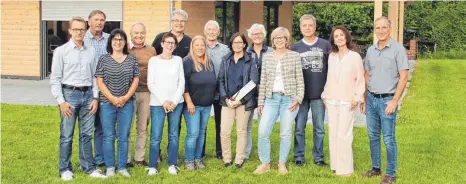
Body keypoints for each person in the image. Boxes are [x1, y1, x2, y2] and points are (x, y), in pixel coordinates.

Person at [50, 16, 107, 181]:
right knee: (67, 135)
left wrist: (95, 98)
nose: (79, 32)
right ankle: (65, 168)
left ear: (85, 30)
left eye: (82, 29)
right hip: (69, 96)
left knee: (87, 135)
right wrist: (61, 101)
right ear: (70, 31)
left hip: (88, 96)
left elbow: (96, 76)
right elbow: (55, 79)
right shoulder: (61, 51)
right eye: (75, 29)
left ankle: (89, 167)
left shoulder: (91, 51)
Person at [361, 16, 409, 184]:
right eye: (377, 28)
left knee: (388, 138)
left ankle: (390, 174)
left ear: (390, 29)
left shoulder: (398, 50)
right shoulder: (370, 50)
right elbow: (367, 75)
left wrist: (395, 101)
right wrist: (364, 99)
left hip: (387, 100)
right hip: (372, 99)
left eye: (384, 27)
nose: (380, 31)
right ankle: (375, 168)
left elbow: (403, 77)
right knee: (373, 135)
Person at [254, 27, 304, 175]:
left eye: (282, 37)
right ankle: (265, 163)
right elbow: (263, 80)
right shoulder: (267, 57)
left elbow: (300, 80)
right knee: (263, 132)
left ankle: (282, 163)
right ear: (273, 41)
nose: (279, 40)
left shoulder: (294, 56)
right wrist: (260, 102)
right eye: (276, 38)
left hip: (289, 99)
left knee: (285, 133)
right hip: (270, 99)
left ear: (286, 40)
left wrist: (298, 98)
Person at [321, 25, 365, 176]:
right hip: (332, 100)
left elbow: (360, 79)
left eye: (341, 35)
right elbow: (329, 78)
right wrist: (325, 96)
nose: (339, 38)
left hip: (348, 101)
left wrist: (357, 97)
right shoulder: (332, 56)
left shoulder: (354, 57)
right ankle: (335, 165)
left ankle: (345, 169)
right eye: (336, 36)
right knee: (333, 133)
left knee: (344, 134)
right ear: (333, 39)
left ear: (346, 37)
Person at [95, 29, 140, 177]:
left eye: (121, 39)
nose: (118, 42)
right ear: (111, 42)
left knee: (123, 136)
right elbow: (99, 81)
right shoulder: (104, 59)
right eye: (115, 39)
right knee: (108, 136)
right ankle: (110, 167)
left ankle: (121, 166)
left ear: (125, 42)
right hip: (107, 104)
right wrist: (112, 99)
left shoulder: (131, 59)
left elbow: (136, 79)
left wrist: (126, 97)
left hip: (127, 103)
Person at [291, 14, 331, 167]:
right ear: (300, 28)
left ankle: (318, 157)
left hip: (319, 94)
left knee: (319, 128)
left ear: (315, 27)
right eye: (304, 25)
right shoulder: (295, 48)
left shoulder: (325, 45)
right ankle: (299, 156)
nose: (307, 28)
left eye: (310, 25)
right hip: (301, 96)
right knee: (299, 127)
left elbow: (331, 69)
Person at [218, 33, 259, 169]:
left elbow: (253, 82)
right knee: (224, 131)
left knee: (241, 131)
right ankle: (227, 158)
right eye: (234, 42)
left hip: (243, 102)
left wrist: (240, 101)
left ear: (244, 44)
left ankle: (239, 160)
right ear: (231, 44)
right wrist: (225, 98)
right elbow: (221, 81)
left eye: (239, 42)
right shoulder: (225, 60)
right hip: (227, 102)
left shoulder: (250, 60)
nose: (237, 45)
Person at [146, 32, 185, 176]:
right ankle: (152, 165)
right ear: (162, 44)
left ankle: (172, 163)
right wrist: (164, 101)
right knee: (156, 135)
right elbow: (151, 83)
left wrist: (174, 101)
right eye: (167, 42)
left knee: (173, 135)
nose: (170, 45)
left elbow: (181, 83)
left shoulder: (178, 60)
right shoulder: (153, 61)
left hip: (176, 103)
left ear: (175, 46)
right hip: (158, 103)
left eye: (172, 43)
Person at [182, 35, 217, 171]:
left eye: (202, 45)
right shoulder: (188, 62)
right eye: (197, 45)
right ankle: (189, 160)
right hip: (193, 106)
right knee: (193, 133)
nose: (200, 47)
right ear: (192, 47)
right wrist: (189, 102)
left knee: (202, 133)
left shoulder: (209, 62)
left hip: (206, 105)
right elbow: (184, 84)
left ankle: (198, 158)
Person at [83, 10, 110, 167]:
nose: (99, 22)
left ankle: (100, 158)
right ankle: (86, 159)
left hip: (106, 89)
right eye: (96, 19)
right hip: (87, 89)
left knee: (101, 126)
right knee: (86, 128)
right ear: (89, 21)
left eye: (102, 20)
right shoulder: (83, 39)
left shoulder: (109, 39)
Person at [128, 22, 157, 167]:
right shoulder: (125, 49)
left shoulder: (151, 50)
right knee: (126, 126)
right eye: (136, 33)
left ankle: (139, 158)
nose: (139, 35)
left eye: (141, 32)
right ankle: (125, 158)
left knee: (143, 126)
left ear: (145, 33)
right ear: (130, 34)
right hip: (128, 94)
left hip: (146, 92)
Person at [244, 23, 273, 160]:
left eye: (260, 33)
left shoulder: (271, 51)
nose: (257, 36)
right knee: (247, 125)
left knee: (264, 126)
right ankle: (245, 153)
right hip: (249, 94)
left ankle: (263, 154)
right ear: (250, 36)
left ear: (264, 35)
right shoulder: (245, 52)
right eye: (254, 34)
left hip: (266, 93)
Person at [204, 20, 230, 159]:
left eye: (214, 29)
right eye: (209, 29)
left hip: (220, 90)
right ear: (205, 32)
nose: (212, 32)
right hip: (204, 90)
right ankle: (200, 151)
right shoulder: (200, 47)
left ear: (218, 32)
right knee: (202, 122)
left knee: (221, 122)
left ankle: (220, 151)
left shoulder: (225, 49)